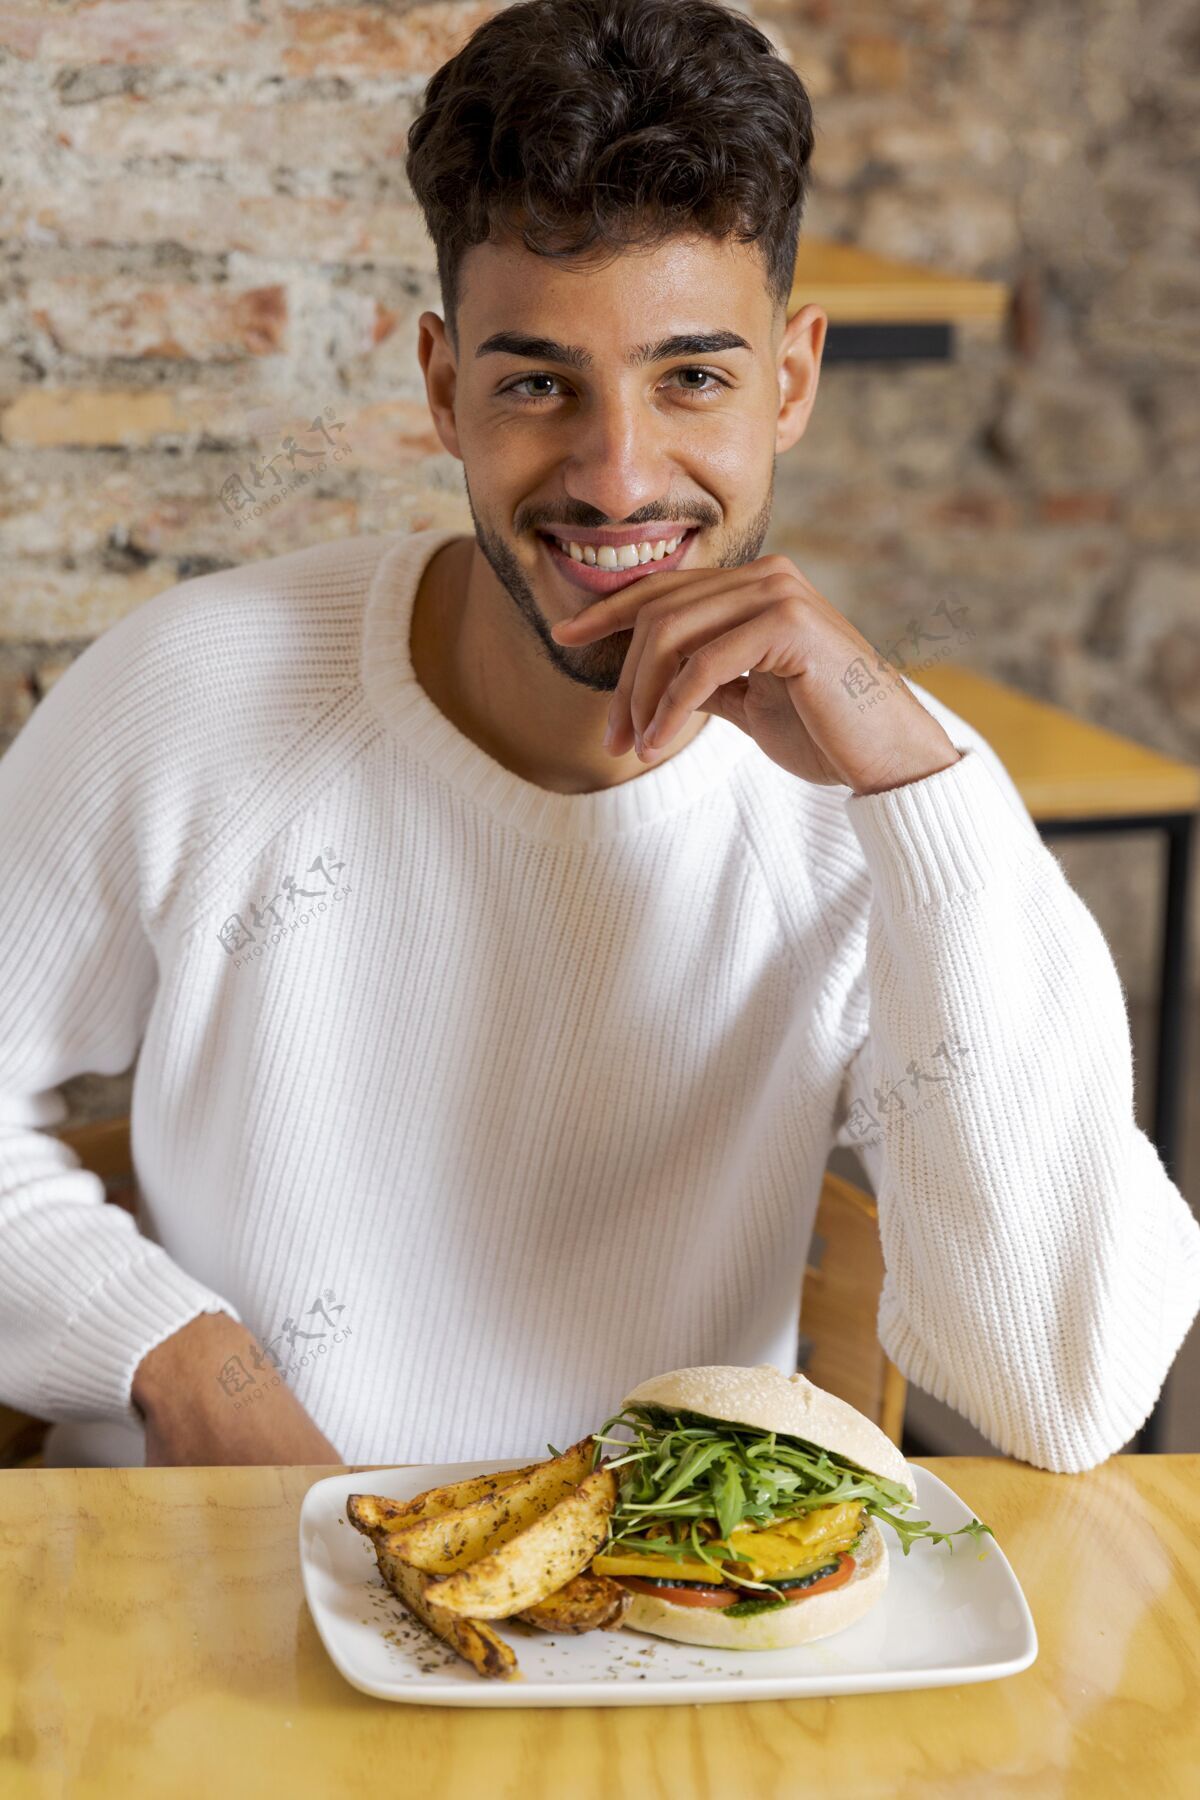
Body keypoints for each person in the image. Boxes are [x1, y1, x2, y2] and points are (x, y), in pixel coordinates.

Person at [1, 0, 1196, 1472]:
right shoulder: (196, 692)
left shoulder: (890, 794)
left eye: (692, 376)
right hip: (213, 1606)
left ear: (794, 381)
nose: (617, 477)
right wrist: (181, 1359)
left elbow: (1065, 1393)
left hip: (658, 1629)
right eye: (536, 383)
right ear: (445, 388)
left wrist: (913, 792)